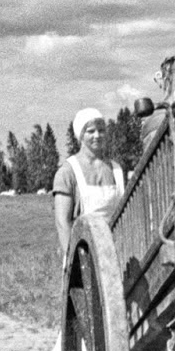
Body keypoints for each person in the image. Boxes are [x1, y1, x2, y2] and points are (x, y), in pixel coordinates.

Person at [53, 108, 125, 260]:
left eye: (101, 130)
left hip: (117, 252)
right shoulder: (67, 173)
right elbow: (62, 222)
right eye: (91, 131)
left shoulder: (117, 170)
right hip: (83, 253)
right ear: (80, 135)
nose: (97, 136)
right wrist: (75, 261)